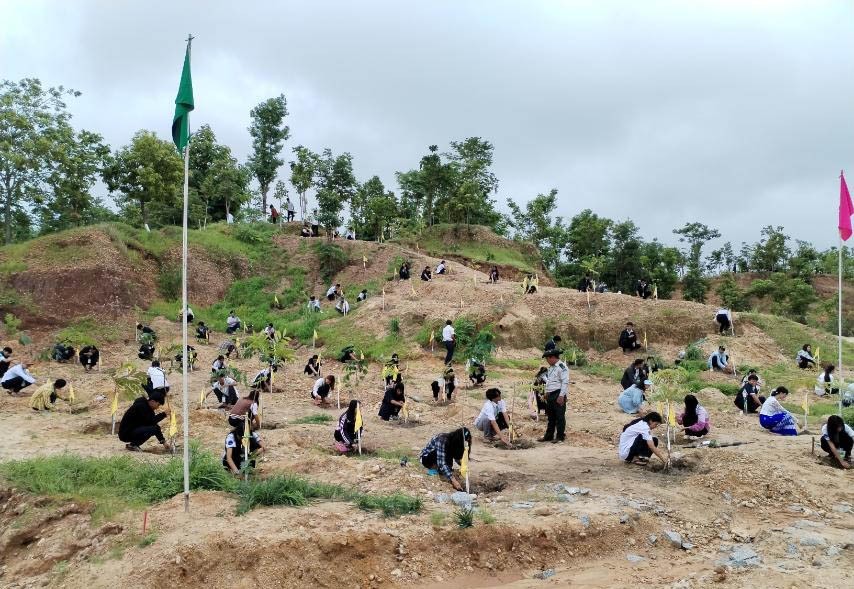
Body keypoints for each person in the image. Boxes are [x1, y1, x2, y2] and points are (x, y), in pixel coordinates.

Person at [539, 348, 569, 443]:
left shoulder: (562, 367)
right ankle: (549, 435)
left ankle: (560, 436)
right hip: (551, 394)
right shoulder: (551, 367)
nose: (547, 361)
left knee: (559, 416)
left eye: (547, 359)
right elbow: (550, 381)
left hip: (558, 393)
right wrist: (547, 392)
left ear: (552, 357)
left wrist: (561, 396)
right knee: (551, 416)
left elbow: (565, 382)